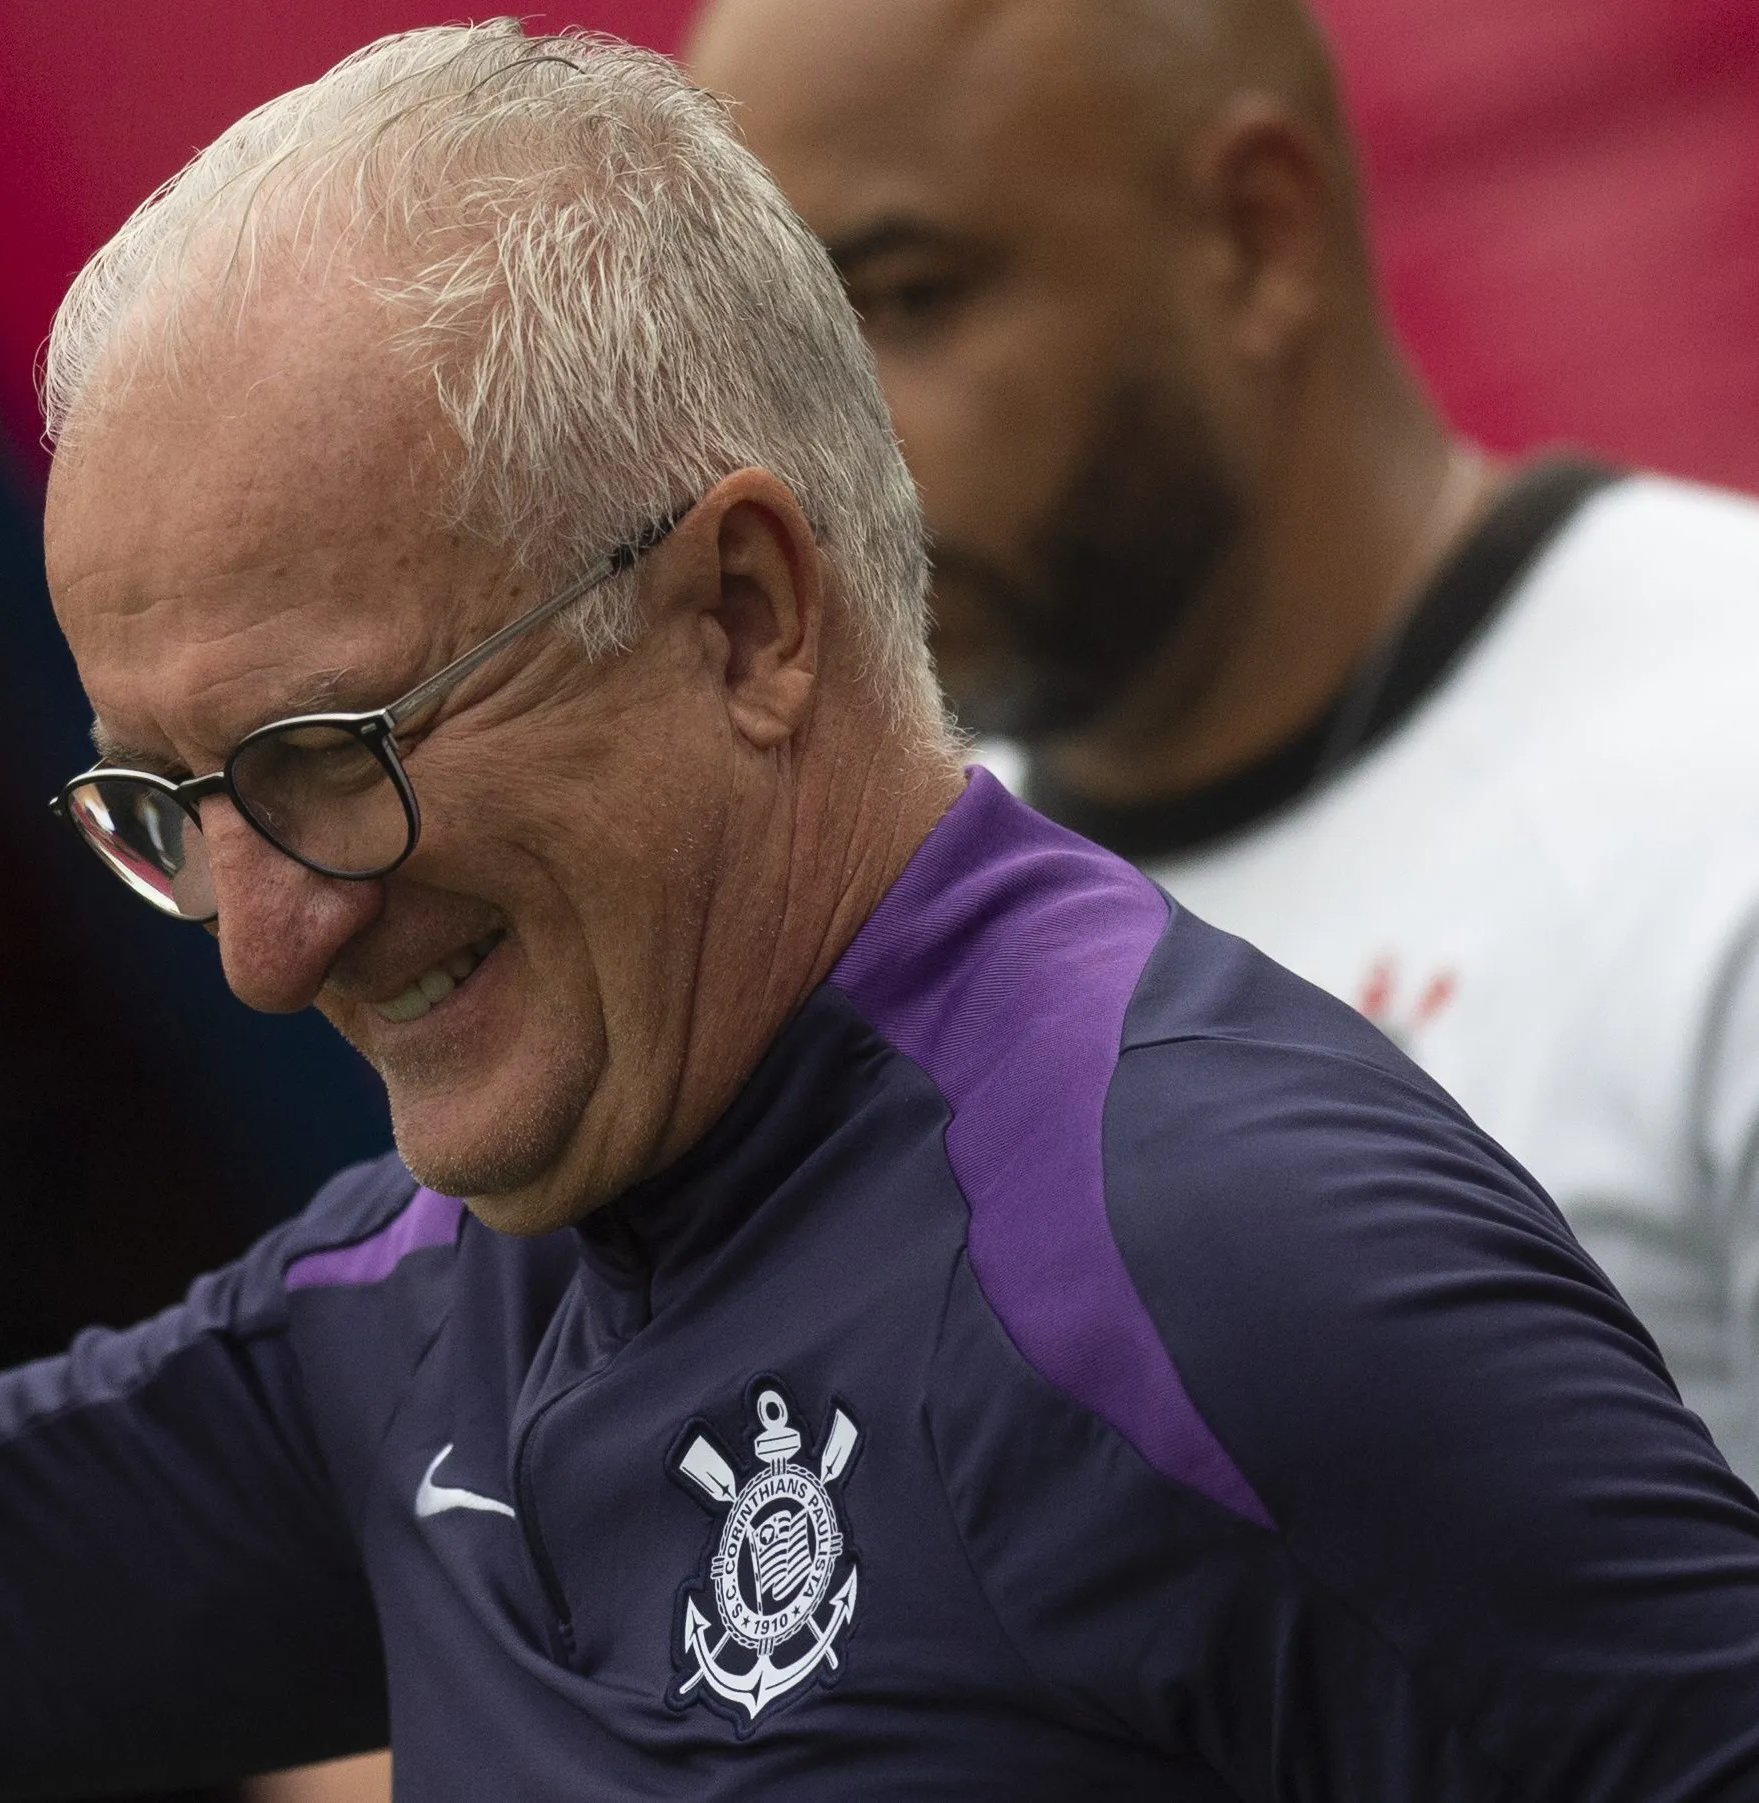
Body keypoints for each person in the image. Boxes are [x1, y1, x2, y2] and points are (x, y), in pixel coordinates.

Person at [0, 22, 1759, 1799]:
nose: (259, 938)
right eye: (165, 802)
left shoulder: (1208, 1264)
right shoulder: (456, 1277)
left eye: (324, 760)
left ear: (744, 613)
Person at [686, 0, 1759, 1472]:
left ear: (1255, 236)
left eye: (906, 299)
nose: (808, 467)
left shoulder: (1715, 770)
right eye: (775, 356)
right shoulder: (844, 935)